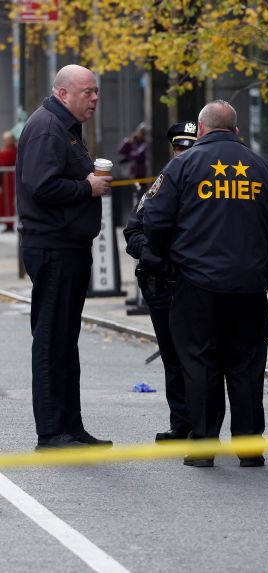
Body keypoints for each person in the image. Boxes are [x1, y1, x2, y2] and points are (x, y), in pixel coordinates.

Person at [143, 101, 268, 468]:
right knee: (247, 367)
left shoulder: (182, 165)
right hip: (249, 288)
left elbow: (156, 219)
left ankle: (205, 445)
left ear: (202, 131)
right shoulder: (263, 169)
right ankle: (250, 447)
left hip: (197, 285)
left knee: (200, 364)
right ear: (237, 131)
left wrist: (161, 260)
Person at [15, 64, 113, 451]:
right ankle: (52, 431)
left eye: (96, 92)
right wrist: (85, 187)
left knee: (65, 341)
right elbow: (40, 186)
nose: (94, 98)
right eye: (87, 91)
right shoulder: (46, 128)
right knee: (52, 340)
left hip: (69, 246)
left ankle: (71, 426)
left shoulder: (66, 128)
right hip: (52, 246)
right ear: (63, 93)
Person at [123, 121, 198, 443]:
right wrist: (152, 255)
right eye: (179, 149)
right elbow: (132, 232)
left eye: (189, 149)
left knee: (198, 358)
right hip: (163, 285)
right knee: (172, 358)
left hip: (197, 284)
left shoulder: (208, 189)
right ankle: (181, 422)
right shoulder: (159, 185)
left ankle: (202, 425)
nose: (183, 155)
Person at [0, 131, 17, 231]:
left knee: (8, 202)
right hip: (6, 180)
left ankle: (9, 223)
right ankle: (7, 223)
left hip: (9, 181)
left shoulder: (10, 151)